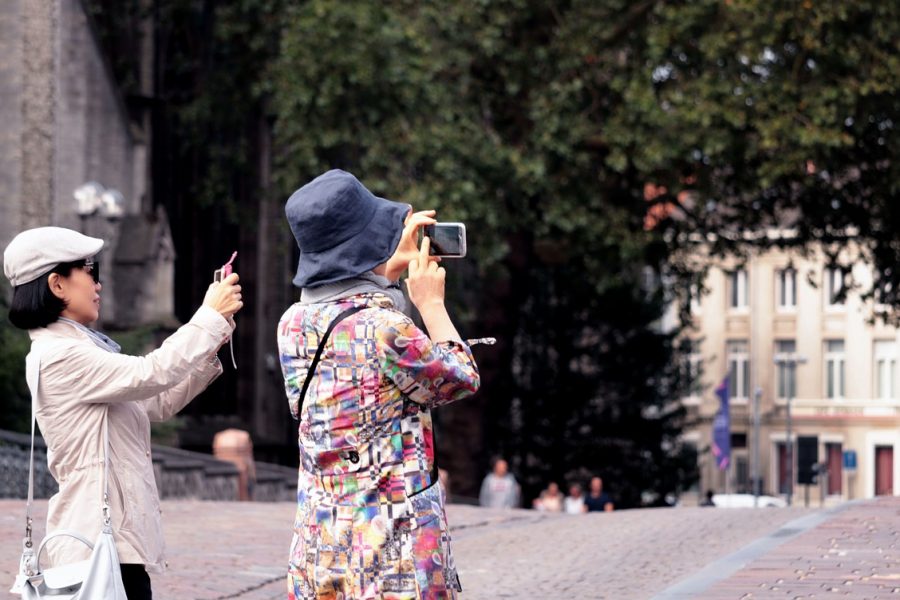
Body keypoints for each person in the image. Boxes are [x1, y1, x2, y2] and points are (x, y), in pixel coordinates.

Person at [3, 226, 243, 600]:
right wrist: (207, 318)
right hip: (95, 546)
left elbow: (154, 402)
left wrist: (213, 340)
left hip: (115, 544)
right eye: (89, 272)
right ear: (57, 285)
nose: (99, 285)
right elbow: (151, 372)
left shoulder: (84, 349)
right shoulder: (59, 355)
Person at [277, 170, 480, 599]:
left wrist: (383, 269)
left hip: (321, 546)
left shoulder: (290, 325)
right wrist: (430, 303)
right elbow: (461, 379)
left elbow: (346, 310)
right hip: (392, 552)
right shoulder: (387, 329)